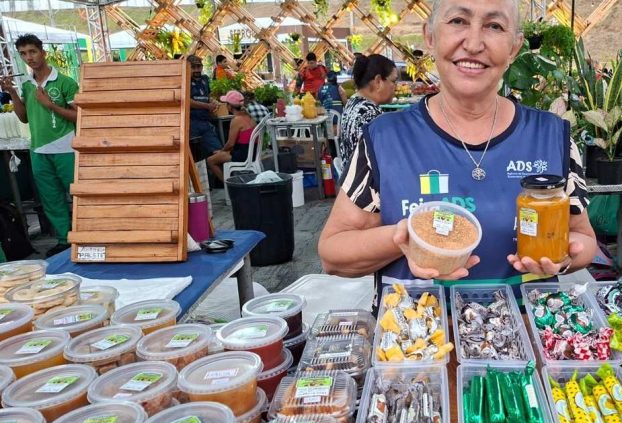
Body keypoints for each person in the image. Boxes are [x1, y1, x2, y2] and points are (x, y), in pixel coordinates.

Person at [318, 0, 596, 298]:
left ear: (514, 48)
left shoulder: (550, 136)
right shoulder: (384, 138)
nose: (474, 44)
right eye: (458, 21)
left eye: (494, 26)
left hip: (528, 330)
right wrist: (406, 237)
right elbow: (332, 254)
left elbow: (584, 238)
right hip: (415, 337)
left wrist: (565, 258)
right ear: (430, 36)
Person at [1, 34, 79, 256]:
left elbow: (80, 116)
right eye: (23, 54)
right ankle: (65, 240)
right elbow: (24, 117)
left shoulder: (65, 82)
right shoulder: (26, 85)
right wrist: (13, 94)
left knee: (78, 194)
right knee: (51, 198)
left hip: (66, 148)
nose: (29, 58)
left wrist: (51, 105)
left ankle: (87, 235)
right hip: (38, 150)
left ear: (43, 52)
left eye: (32, 52)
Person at [336, 54, 396, 173]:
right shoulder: (369, 115)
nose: (396, 87)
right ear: (378, 81)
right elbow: (384, 163)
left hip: (350, 182)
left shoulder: (352, 102)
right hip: (366, 188)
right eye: (393, 81)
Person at [205, 90, 256, 182]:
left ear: (229, 106)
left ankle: (228, 185)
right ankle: (232, 180)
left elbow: (230, 144)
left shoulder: (236, 120)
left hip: (242, 155)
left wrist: (222, 151)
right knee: (219, 155)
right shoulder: (249, 116)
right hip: (252, 153)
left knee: (210, 161)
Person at [188, 55, 223, 167]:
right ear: (187, 67)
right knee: (197, 160)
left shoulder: (204, 79)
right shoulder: (183, 80)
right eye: (193, 67)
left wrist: (213, 101)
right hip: (191, 123)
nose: (197, 70)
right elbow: (187, 101)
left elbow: (208, 95)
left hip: (205, 122)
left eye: (199, 67)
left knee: (219, 152)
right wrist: (206, 106)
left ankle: (225, 182)